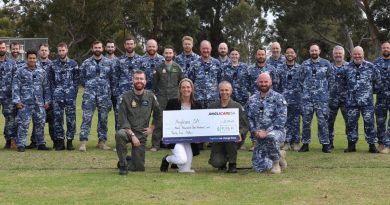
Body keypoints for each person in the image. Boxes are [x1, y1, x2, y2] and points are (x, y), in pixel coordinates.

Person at [116, 70, 161, 175]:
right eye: (136, 78)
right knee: (120, 135)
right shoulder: (125, 97)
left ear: (145, 81)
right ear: (133, 80)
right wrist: (132, 135)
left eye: (141, 79)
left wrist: (152, 128)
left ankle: (129, 160)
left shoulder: (150, 96)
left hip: (141, 133)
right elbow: (122, 119)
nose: (139, 81)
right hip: (128, 131)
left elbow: (158, 114)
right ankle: (123, 165)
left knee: (139, 168)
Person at [245, 73, 287, 174]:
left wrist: (267, 132)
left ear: (270, 82)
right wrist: (254, 131)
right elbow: (248, 117)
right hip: (258, 134)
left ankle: (276, 164)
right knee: (259, 168)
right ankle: (279, 155)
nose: (263, 84)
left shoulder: (278, 98)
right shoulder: (252, 99)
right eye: (261, 82)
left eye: (266, 82)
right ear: (257, 83)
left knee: (270, 137)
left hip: (276, 131)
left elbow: (281, 119)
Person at [341, 46, 381, 153]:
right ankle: (351, 145)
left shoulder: (371, 67)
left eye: (359, 54)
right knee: (351, 123)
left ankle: (372, 146)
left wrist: (370, 92)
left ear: (363, 54)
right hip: (351, 102)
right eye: (355, 54)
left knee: (370, 123)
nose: (357, 56)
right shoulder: (346, 68)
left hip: (367, 102)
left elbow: (378, 81)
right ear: (352, 55)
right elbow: (342, 84)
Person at [79, 41, 115, 151]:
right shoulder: (86, 62)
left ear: (103, 49)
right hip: (89, 96)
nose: (97, 49)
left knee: (103, 119)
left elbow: (112, 78)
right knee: (86, 118)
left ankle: (102, 142)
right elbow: (81, 78)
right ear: (92, 48)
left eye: (99, 47)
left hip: (104, 95)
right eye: (95, 47)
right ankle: (83, 143)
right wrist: (90, 86)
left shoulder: (109, 63)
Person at [12, 50, 51, 152]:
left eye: (34, 58)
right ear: (27, 59)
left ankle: (41, 143)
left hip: (39, 104)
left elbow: (46, 87)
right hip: (25, 103)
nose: (32, 60)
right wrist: (17, 101)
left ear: (36, 59)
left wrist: (47, 101)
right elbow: (15, 87)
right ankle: (21, 144)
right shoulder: (20, 71)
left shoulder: (42, 71)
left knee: (40, 124)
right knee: (23, 124)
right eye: (30, 58)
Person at [160, 78, 201, 173]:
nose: (186, 89)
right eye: (183, 87)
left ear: (192, 89)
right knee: (182, 160)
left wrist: (200, 137)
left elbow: (200, 124)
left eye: (188, 87)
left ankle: (177, 163)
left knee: (185, 170)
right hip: (175, 138)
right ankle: (167, 159)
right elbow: (166, 122)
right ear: (180, 89)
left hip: (188, 139)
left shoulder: (197, 105)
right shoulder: (172, 103)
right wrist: (165, 137)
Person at [208, 81, 249, 173]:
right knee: (216, 163)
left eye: (227, 90)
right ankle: (224, 158)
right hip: (218, 140)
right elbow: (207, 124)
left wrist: (240, 133)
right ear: (219, 91)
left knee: (230, 136)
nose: (224, 92)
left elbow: (245, 126)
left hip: (234, 139)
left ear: (231, 91)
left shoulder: (237, 106)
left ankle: (232, 164)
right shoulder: (212, 106)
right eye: (222, 90)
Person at [299, 43, 332, 153]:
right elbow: (300, 80)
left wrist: (325, 93)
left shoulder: (326, 64)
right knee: (306, 122)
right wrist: (305, 93)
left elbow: (331, 80)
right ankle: (305, 144)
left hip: (321, 100)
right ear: (309, 51)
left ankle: (325, 144)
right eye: (312, 50)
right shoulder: (304, 64)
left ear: (319, 51)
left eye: (315, 50)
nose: (314, 52)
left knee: (323, 122)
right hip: (307, 99)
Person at [151, 46, 183, 151]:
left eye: (170, 53)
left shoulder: (178, 68)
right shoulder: (158, 68)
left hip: (174, 98)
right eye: (166, 53)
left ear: (173, 54)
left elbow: (181, 83)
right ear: (163, 54)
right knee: (158, 120)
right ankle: (155, 144)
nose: (168, 55)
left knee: (175, 121)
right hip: (161, 98)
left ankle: (173, 144)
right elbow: (154, 85)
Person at [48, 42, 79, 150]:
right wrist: (54, 92)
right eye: (60, 51)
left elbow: (76, 80)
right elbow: (50, 80)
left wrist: (74, 93)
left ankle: (70, 141)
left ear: (67, 50)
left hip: (70, 96)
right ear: (57, 51)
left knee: (71, 119)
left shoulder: (73, 64)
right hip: (57, 96)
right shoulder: (53, 64)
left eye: (63, 50)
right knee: (58, 119)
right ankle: (60, 141)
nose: (61, 52)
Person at [247, 48, 279, 151]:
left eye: (262, 54)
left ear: (265, 55)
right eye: (259, 54)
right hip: (255, 100)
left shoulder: (272, 69)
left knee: (268, 120)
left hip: (270, 100)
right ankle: (255, 142)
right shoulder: (250, 69)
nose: (261, 56)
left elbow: (276, 83)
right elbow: (246, 83)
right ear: (256, 56)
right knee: (255, 120)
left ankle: (270, 140)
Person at [220, 48, 250, 150]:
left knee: (242, 120)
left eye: (236, 54)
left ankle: (242, 142)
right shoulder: (225, 67)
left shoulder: (245, 67)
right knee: (230, 119)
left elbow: (249, 80)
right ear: (230, 56)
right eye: (232, 55)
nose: (234, 56)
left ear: (239, 56)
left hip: (243, 98)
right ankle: (230, 140)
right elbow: (222, 81)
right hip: (230, 98)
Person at [27, 43, 55, 149]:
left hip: (50, 97)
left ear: (48, 52)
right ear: (39, 52)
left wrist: (49, 99)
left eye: (46, 50)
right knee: (37, 120)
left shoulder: (53, 65)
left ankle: (55, 141)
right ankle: (35, 142)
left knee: (51, 120)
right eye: (42, 50)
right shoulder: (34, 63)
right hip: (36, 97)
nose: (44, 52)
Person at [113, 36, 141, 130]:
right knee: (120, 115)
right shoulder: (118, 61)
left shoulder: (141, 60)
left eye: (131, 44)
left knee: (137, 116)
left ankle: (137, 139)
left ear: (135, 45)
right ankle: (120, 139)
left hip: (137, 93)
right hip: (122, 93)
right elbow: (115, 78)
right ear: (124, 46)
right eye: (127, 44)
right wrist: (116, 94)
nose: (129, 46)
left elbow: (145, 78)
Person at [278, 46, 302, 151]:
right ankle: (286, 142)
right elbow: (276, 84)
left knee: (296, 121)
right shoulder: (279, 69)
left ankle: (296, 142)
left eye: (292, 53)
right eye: (288, 53)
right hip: (283, 100)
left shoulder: (300, 68)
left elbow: (303, 84)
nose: (290, 54)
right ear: (285, 55)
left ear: (295, 55)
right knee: (284, 122)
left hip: (297, 99)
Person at [187, 40, 221, 109]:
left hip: (213, 100)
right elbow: (190, 81)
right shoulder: (194, 64)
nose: (205, 50)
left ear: (211, 49)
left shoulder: (217, 63)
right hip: (198, 100)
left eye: (207, 48)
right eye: (203, 48)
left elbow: (220, 80)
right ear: (200, 49)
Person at [328, 45, 348, 149]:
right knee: (329, 122)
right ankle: (329, 142)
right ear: (333, 54)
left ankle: (351, 143)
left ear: (343, 54)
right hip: (331, 99)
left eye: (340, 53)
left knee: (349, 121)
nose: (338, 55)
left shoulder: (349, 67)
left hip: (346, 100)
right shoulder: (328, 67)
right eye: (336, 53)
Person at [0, 40, 18, 149]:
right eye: (0, 48)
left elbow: (16, 81)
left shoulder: (12, 63)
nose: (1, 49)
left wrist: (16, 96)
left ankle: (9, 141)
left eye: (2, 48)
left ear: (6, 49)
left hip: (8, 96)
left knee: (10, 119)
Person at [373, 41, 390, 154]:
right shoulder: (376, 63)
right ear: (381, 49)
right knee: (380, 121)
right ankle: (381, 143)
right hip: (381, 97)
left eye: (387, 48)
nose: (386, 49)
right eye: (384, 48)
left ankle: (388, 144)